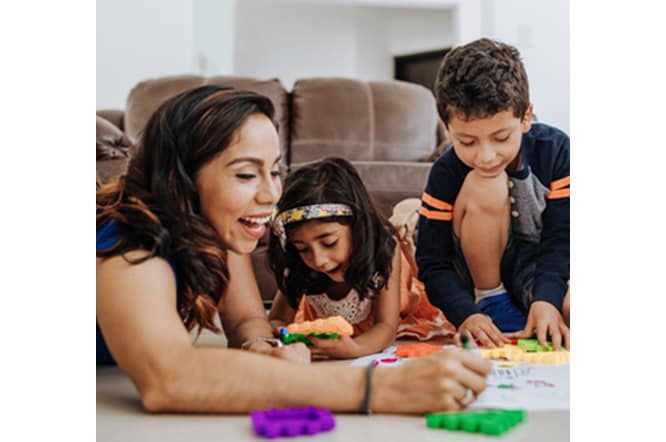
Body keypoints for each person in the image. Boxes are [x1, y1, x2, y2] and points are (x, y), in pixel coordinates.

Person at [97, 86, 491, 413]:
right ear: (181, 181)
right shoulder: (127, 242)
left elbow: (247, 321)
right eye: (247, 174)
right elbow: (168, 377)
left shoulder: (217, 230)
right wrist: (379, 388)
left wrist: (263, 349)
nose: (271, 195)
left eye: (273, 171)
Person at [415, 38, 570, 351]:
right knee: (486, 181)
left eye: (501, 138)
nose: (486, 156)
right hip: (475, 277)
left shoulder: (555, 151)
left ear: (525, 117)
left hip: (538, 265)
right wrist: (466, 314)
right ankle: (493, 301)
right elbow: (432, 261)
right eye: (468, 142)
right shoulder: (446, 172)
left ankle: (529, 306)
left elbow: (561, 239)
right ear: (447, 128)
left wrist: (547, 300)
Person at [267, 157, 455, 360]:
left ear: (357, 226)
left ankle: (406, 227)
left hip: (395, 316)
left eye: (329, 243)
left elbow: (386, 326)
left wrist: (355, 349)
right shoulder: (298, 263)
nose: (319, 260)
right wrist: (282, 336)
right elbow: (277, 319)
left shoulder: (384, 250)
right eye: (303, 248)